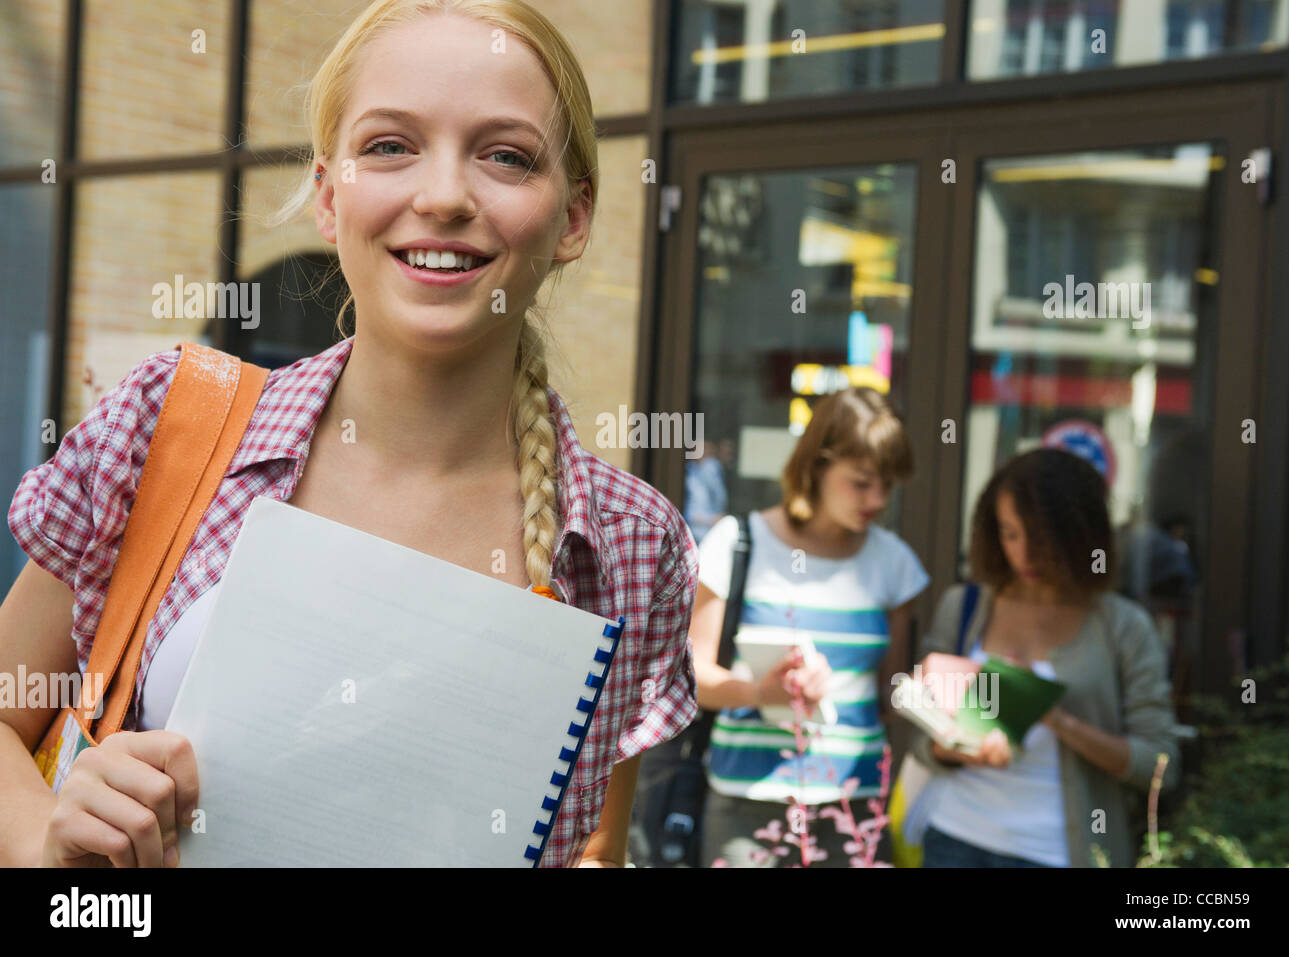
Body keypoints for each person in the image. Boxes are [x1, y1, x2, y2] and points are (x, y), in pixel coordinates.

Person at [0, 0, 698, 869]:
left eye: (507, 156)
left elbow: (597, 848)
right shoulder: (167, 425)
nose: (443, 195)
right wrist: (43, 841)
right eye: (390, 146)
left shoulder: (633, 544)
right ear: (330, 199)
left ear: (576, 216)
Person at [690, 388, 929, 867]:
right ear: (817, 466)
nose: (877, 499)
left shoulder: (893, 562)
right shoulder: (736, 542)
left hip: (854, 804)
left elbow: (888, 696)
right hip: (749, 801)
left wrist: (928, 697)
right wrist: (760, 692)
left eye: (887, 484)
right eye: (861, 482)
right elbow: (690, 678)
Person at [909, 448, 1180, 868]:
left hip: (1056, 851)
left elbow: (1161, 767)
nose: (1025, 553)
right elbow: (923, 738)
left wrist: (1054, 716)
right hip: (954, 835)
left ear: (1080, 533)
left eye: (1041, 535)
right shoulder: (963, 607)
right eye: (1010, 533)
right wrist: (956, 749)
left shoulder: (1123, 626)